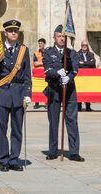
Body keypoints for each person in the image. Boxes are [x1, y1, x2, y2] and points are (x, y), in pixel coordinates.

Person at [0, 19, 32, 172]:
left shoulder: (23, 50)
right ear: (5, 33)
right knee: (1, 129)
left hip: (18, 94)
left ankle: (14, 159)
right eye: (11, 30)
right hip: (2, 93)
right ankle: (3, 159)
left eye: (16, 31)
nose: (14, 33)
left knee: (17, 129)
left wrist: (27, 94)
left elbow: (27, 75)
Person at [43, 25, 84, 162]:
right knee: (54, 121)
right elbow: (47, 69)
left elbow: (75, 69)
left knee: (72, 120)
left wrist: (69, 77)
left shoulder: (71, 52)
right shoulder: (48, 52)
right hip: (54, 89)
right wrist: (56, 73)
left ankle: (74, 152)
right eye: (59, 36)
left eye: (63, 36)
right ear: (54, 37)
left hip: (69, 90)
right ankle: (53, 150)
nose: (61, 39)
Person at [77, 40, 96, 112]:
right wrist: (87, 63)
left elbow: (93, 63)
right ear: (81, 46)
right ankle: (79, 106)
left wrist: (83, 63)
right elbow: (78, 64)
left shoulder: (91, 54)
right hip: (80, 76)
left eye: (86, 45)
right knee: (79, 91)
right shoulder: (77, 54)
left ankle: (88, 106)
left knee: (88, 90)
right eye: (83, 45)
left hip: (89, 76)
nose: (84, 46)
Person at [33, 38, 46, 109]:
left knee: (45, 88)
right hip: (37, 74)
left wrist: (39, 63)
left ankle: (46, 103)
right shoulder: (36, 53)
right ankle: (36, 103)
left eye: (41, 43)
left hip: (45, 74)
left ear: (44, 44)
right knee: (36, 88)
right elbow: (35, 63)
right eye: (39, 43)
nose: (40, 45)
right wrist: (43, 63)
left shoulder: (47, 52)